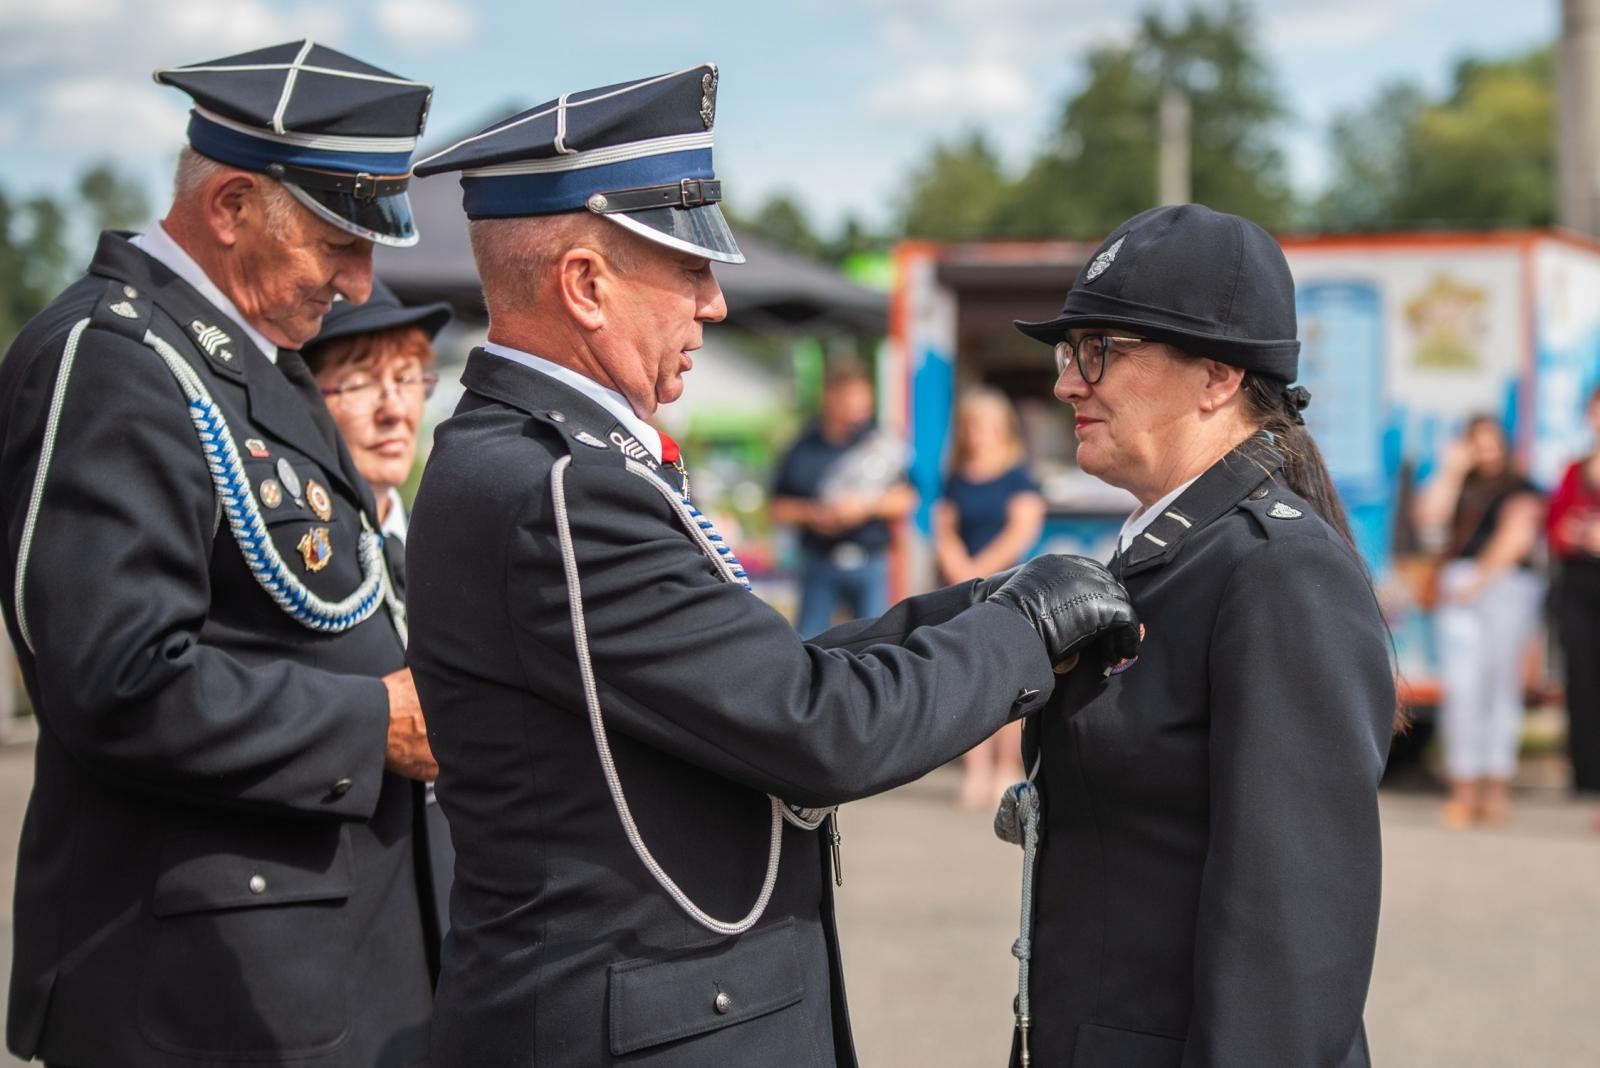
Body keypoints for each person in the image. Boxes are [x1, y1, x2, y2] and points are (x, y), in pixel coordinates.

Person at [403, 64, 1141, 1067]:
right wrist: (1021, 631)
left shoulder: (547, 460)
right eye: (687, 269)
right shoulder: (561, 485)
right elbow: (811, 726)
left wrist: (984, 605)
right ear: (584, 284)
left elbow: (758, 674)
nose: (712, 304)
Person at [0, 42, 441, 1067]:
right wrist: (373, 720)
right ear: (233, 204)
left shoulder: (250, 358)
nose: (360, 279)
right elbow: (113, 679)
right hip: (198, 991)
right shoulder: (113, 359)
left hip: (309, 964)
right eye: (336, 241)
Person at [1008, 203, 1396, 1066]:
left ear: (1217, 377)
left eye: (1100, 350)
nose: (1070, 381)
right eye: (1072, 353)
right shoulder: (1167, 554)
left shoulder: (1278, 572)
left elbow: (1291, 948)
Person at [305, 279, 456, 931]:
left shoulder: (439, 544)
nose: (396, 409)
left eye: (411, 377)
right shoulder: (288, 560)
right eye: (362, 381)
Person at [1414, 415, 1545, 828]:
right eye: (1476, 442)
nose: (1485, 450)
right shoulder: (1460, 484)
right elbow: (1429, 519)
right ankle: (1463, 789)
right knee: (1463, 689)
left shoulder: (1522, 488)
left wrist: (1481, 579)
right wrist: (1450, 470)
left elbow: (1517, 536)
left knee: (1501, 688)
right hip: (1460, 584)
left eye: (1490, 441)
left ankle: (1495, 790)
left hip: (1505, 585)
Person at [934, 387, 1046, 808]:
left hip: (1005, 584)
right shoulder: (957, 475)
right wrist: (958, 565)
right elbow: (942, 527)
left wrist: (981, 566)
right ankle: (975, 770)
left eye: (985, 426)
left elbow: (1023, 529)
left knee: (1007, 679)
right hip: (961, 587)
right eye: (971, 427)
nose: (978, 434)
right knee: (968, 678)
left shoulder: (1018, 473)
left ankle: (1006, 768)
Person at [771, 361, 917, 636]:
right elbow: (778, 508)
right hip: (819, 562)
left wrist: (866, 507)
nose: (858, 407)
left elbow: (908, 497)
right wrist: (815, 514)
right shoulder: (803, 447)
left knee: (875, 643)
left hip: (870, 562)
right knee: (809, 642)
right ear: (830, 398)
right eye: (850, 398)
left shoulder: (879, 444)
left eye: (863, 398)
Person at [1548, 387, 1600, 828]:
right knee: (1581, 680)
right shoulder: (1573, 470)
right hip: (1579, 583)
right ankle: (1587, 776)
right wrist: (1578, 535)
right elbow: (1556, 526)